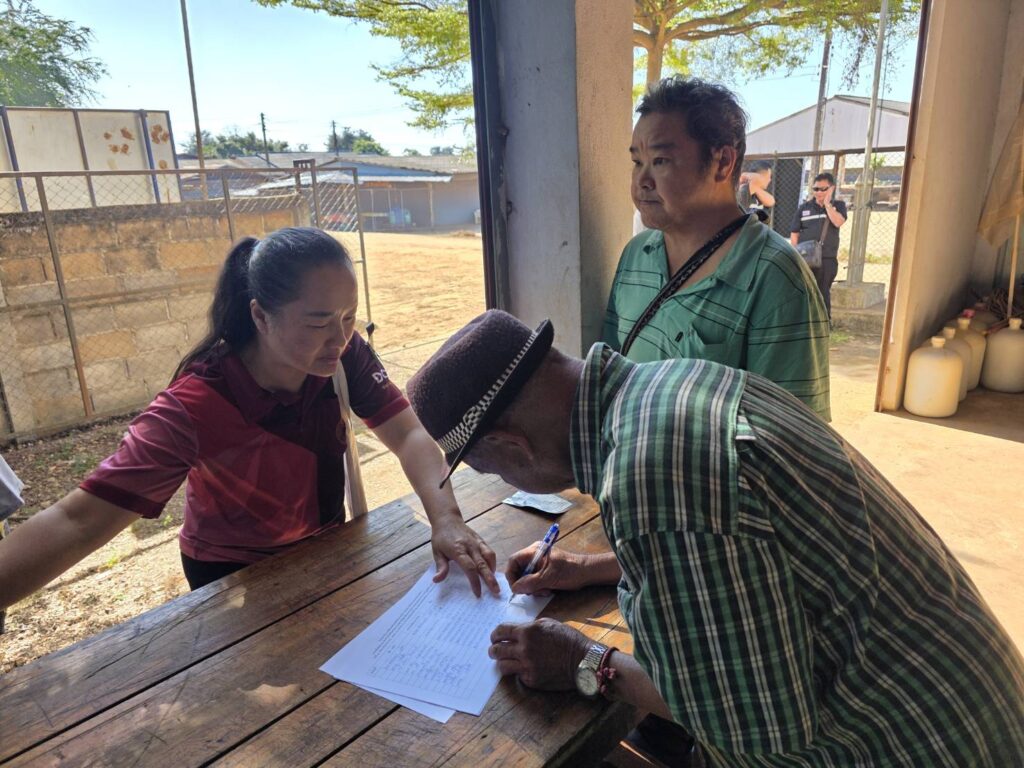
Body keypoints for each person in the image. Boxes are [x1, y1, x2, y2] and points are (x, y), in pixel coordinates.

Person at [407, 309, 1024, 768]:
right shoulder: (671, 384)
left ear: (511, 446)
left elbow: (751, 725)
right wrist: (596, 567)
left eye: (494, 471)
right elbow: (752, 539)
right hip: (970, 703)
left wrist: (582, 662)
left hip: (914, 743)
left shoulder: (651, 477)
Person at [0, 227, 499, 611]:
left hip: (325, 547)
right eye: (319, 322)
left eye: (349, 317)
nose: (340, 338)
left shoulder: (343, 356)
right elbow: (78, 521)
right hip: (230, 575)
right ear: (261, 317)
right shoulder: (194, 405)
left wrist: (447, 520)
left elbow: (408, 434)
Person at [604, 77, 831, 422]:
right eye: (638, 162)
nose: (641, 181)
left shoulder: (776, 279)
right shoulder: (636, 255)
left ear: (723, 162)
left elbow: (791, 438)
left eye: (661, 160)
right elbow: (609, 371)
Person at [791, 172, 848, 319]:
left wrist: (828, 205)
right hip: (805, 258)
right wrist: (795, 255)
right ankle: (804, 321)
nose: (819, 192)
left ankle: (823, 322)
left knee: (822, 292)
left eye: (823, 189)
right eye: (816, 189)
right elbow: (795, 233)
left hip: (826, 258)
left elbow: (838, 222)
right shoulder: (804, 208)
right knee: (804, 291)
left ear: (831, 188)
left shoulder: (838, 206)